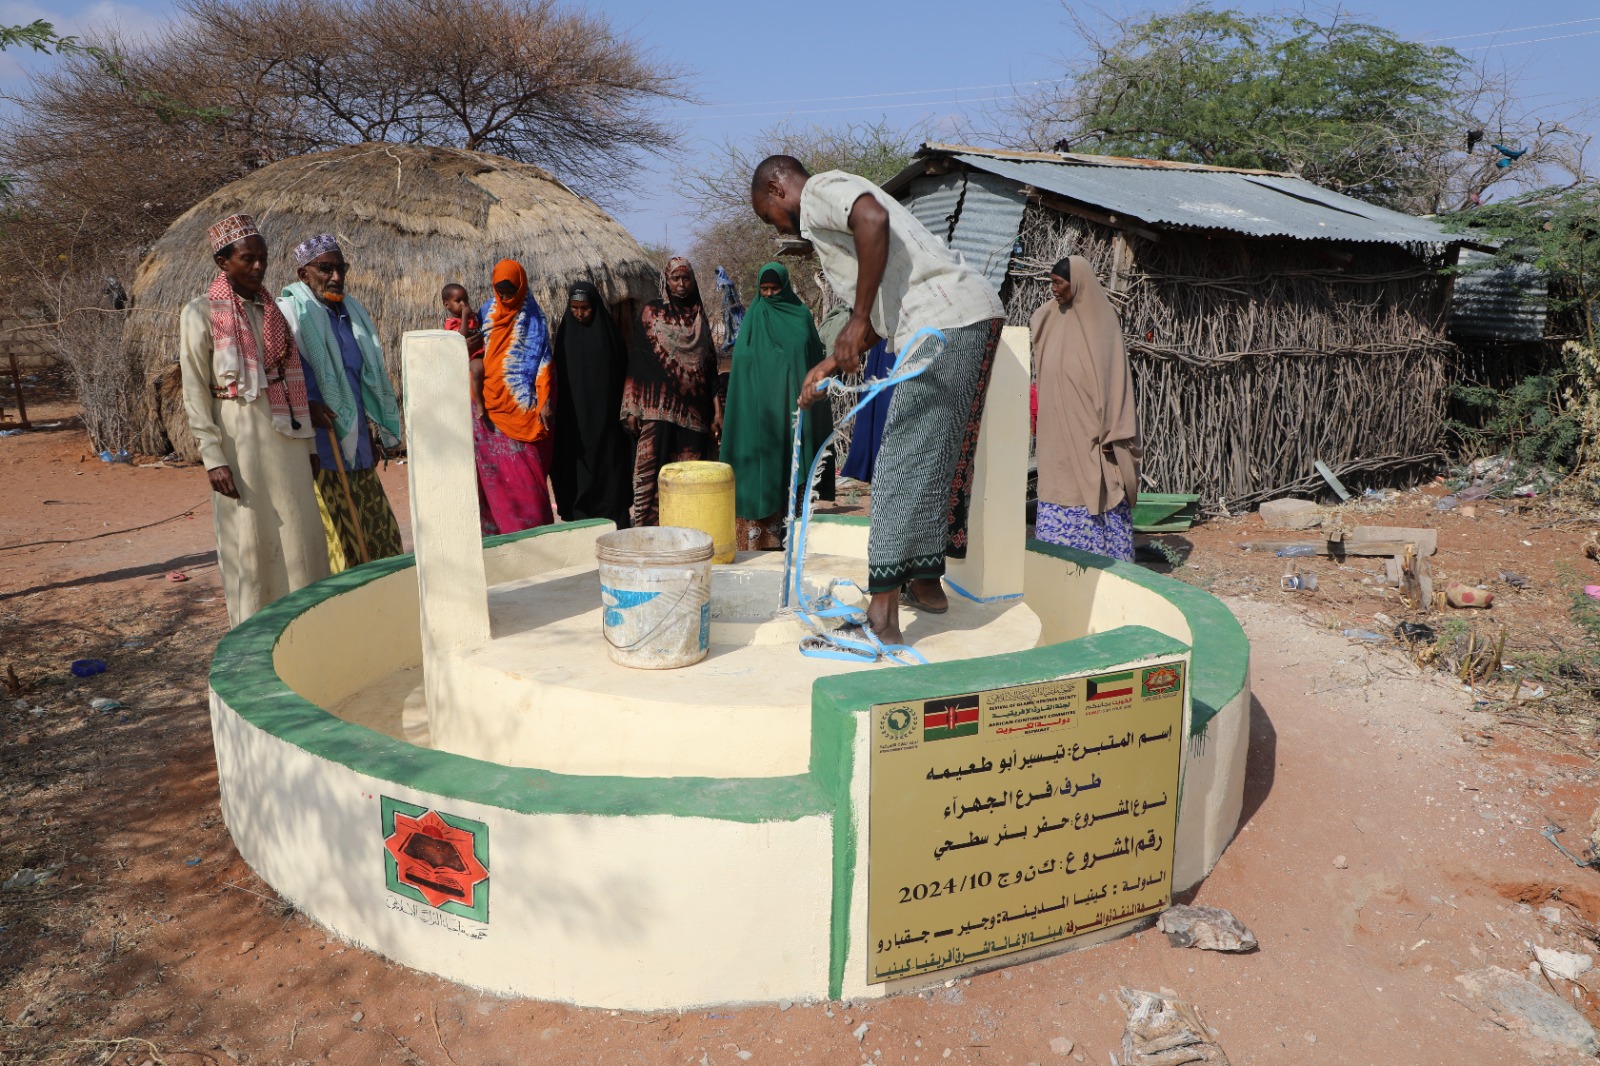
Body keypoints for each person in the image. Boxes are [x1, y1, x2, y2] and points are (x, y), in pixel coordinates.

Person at [750, 156, 1005, 646]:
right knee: (936, 460)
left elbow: (872, 218)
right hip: (972, 315)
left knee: (897, 465)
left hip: (942, 322)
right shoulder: (832, 215)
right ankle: (927, 585)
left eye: (769, 215)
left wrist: (856, 316)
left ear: (778, 188)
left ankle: (882, 618)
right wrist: (828, 364)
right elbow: (876, 320)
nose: (778, 226)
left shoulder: (821, 191)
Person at [177, 213, 328, 627]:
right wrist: (213, 457)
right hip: (237, 440)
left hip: (288, 436)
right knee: (250, 538)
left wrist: (310, 444)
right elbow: (194, 390)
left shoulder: (272, 311)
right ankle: (254, 634)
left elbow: (293, 378)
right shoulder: (199, 314)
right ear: (223, 263)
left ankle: (306, 626)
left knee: (300, 536)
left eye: (262, 258)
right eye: (248, 258)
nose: (259, 266)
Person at [278, 233, 404, 572]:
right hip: (317, 453)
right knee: (339, 552)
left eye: (340, 268)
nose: (335, 276)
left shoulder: (353, 315)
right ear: (303, 274)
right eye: (325, 269)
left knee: (383, 544)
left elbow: (364, 379)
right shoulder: (288, 316)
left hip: (357, 446)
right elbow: (273, 377)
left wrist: (373, 434)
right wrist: (305, 406)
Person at [1029, 256, 1142, 561]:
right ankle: (1057, 571)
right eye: (1051, 282)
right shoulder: (1050, 319)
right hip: (1057, 435)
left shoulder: (1101, 325)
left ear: (1076, 282)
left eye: (1059, 283)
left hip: (1092, 435)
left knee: (1094, 492)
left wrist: (1111, 434)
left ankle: (1105, 570)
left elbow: (1115, 384)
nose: (1053, 289)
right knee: (1058, 486)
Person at [722, 261, 833, 550]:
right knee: (762, 467)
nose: (769, 295)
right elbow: (743, 369)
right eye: (765, 289)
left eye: (775, 288)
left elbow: (810, 360)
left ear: (784, 287)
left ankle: (793, 540)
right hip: (759, 414)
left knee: (791, 462)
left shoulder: (800, 317)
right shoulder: (753, 318)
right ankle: (761, 540)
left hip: (794, 412)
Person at [621, 257, 720, 527]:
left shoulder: (699, 316)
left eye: (685, 278)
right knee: (651, 474)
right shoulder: (652, 313)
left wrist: (717, 412)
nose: (681, 284)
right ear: (667, 281)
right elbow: (638, 363)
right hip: (658, 411)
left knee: (689, 477)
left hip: (695, 414)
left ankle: (687, 531)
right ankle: (647, 536)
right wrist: (632, 407)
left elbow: (710, 367)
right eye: (675, 279)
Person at [472, 258, 556, 535]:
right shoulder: (486, 312)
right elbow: (474, 350)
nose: (506, 298)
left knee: (529, 484)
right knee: (494, 482)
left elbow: (544, 363)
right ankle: (498, 536)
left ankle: (534, 533)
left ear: (521, 287)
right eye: (502, 292)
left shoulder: (534, 318)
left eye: (511, 292)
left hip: (523, 411)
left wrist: (544, 402)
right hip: (489, 411)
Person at [550, 281, 633, 527]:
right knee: (577, 469)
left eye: (585, 308)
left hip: (607, 421)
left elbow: (622, 376)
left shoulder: (610, 339)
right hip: (574, 421)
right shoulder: (565, 339)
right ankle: (580, 518)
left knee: (609, 467)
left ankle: (613, 516)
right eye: (574, 308)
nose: (579, 313)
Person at [442, 283, 484, 358]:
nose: (463, 304)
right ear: (447, 305)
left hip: (481, 351)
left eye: (466, 300)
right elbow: (461, 336)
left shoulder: (473, 317)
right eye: (458, 301)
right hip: (469, 356)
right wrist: (464, 316)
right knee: (478, 368)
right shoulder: (451, 323)